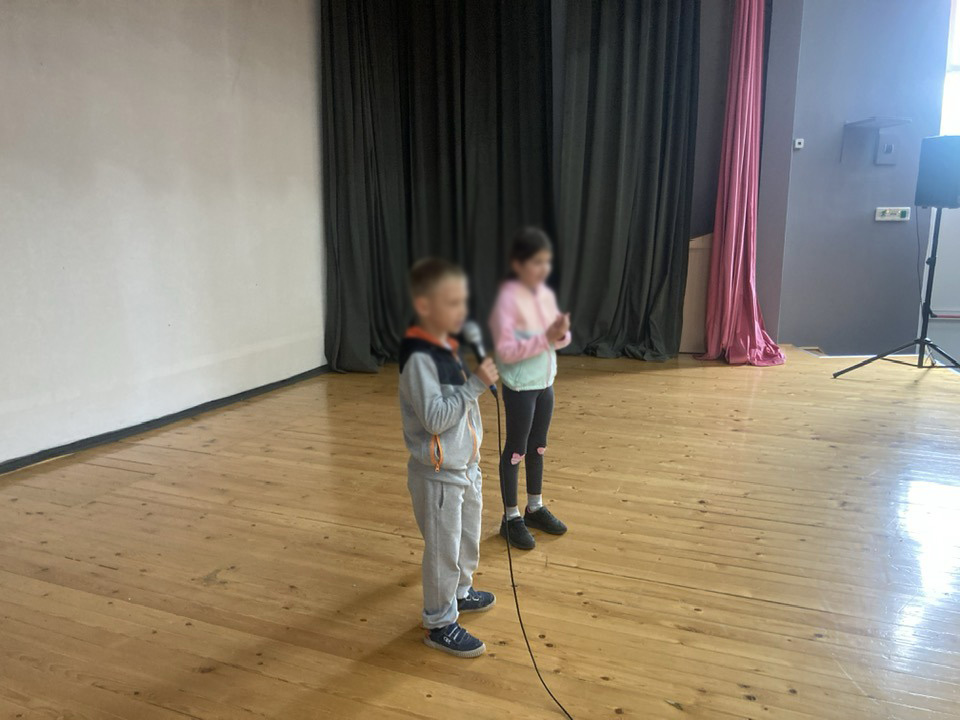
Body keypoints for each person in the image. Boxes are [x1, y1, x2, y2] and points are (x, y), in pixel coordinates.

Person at [398, 258, 500, 658]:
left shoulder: (446, 347)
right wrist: (476, 384)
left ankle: (460, 591)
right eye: (452, 302)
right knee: (442, 551)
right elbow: (436, 419)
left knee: (466, 537)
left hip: (464, 467)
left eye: (463, 301)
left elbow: (460, 408)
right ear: (425, 306)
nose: (462, 311)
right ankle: (439, 622)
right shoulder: (419, 358)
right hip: (438, 474)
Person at [489, 227, 571, 550]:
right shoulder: (506, 302)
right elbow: (506, 351)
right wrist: (545, 338)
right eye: (536, 262)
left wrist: (560, 334)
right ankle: (510, 518)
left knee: (538, 447)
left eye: (546, 262)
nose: (543, 269)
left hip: (544, 384)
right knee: (516, 450)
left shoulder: (544, 296)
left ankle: (534, 508)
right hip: (520, 387)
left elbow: (559, 339)